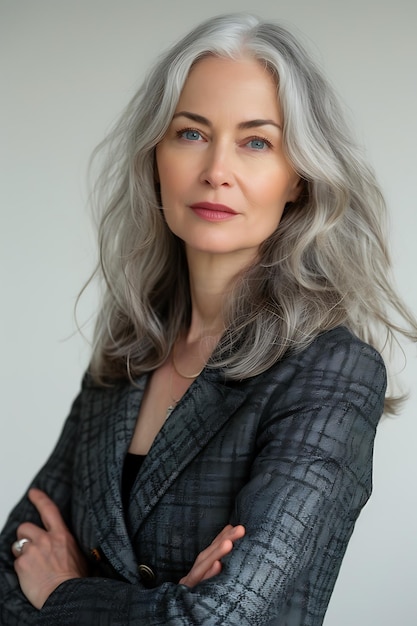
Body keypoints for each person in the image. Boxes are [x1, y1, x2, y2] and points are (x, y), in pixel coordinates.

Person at [1, 12, 416, 626]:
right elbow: (10, 570)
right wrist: (161, 605)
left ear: (298, 178)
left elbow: (216, 617)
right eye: (191, 133)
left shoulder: (333, 372)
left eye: (256, 141)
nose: (215, 169)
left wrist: (65, 593)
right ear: (156, 158)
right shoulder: (129, 352)